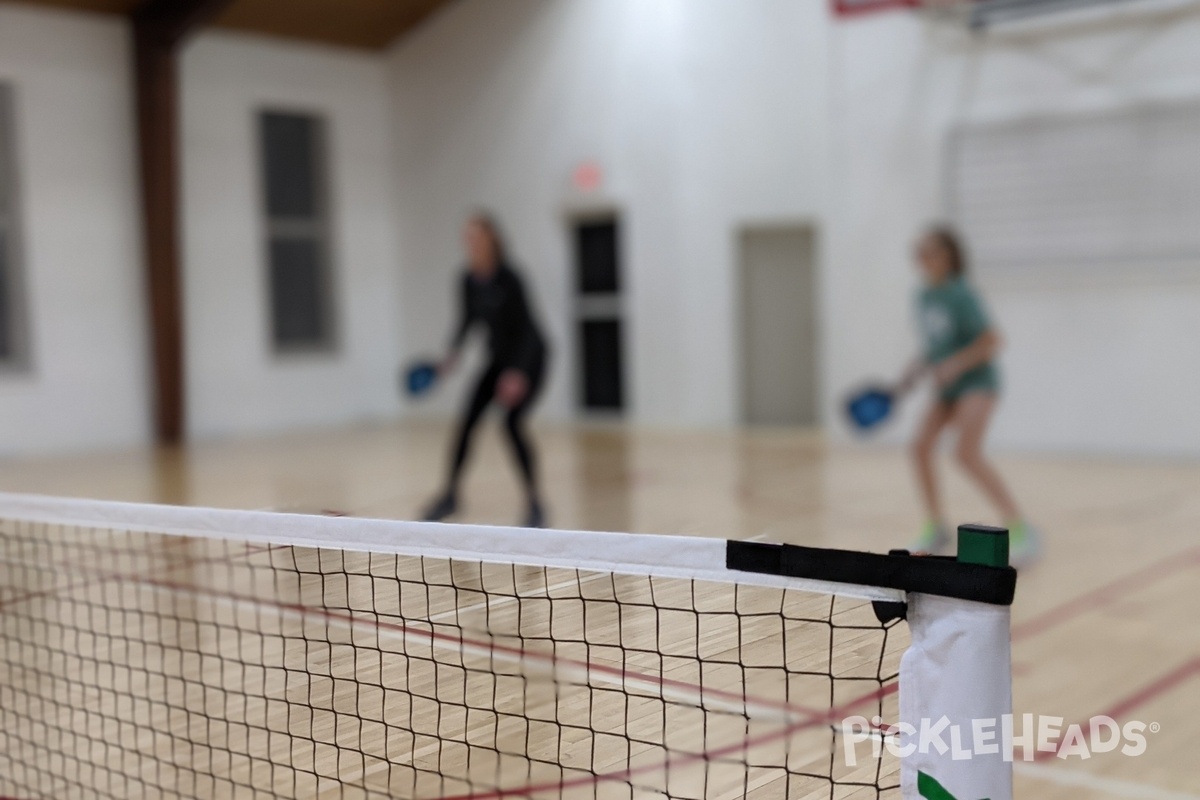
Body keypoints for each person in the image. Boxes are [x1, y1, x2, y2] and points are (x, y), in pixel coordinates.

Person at [895, 226, 1038, 565]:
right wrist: (915, 368)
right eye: (919, 252)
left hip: (978, 382)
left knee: (965, 453)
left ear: (949, 256)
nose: (923, 259)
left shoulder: (962, 294)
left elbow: (992, 341)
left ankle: (1019, 527)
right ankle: (935, 526)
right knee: (919, 446)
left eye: (930, 251)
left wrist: (957, 364)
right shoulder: (923, 296)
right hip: (947, 388)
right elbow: (936, 345)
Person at [422, 214, 549, 527]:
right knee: (466, 423)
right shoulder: (467, 279)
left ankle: (535, 503)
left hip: (530, 358)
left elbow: (528, 331)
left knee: (511, 423)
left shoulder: (510, 278)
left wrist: (518, 373)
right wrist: (450, 356)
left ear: (493, 239)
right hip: (497, 361)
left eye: (477, 236)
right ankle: (450, 495)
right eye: (468, 237)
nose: (471, 242)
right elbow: (465, 322)